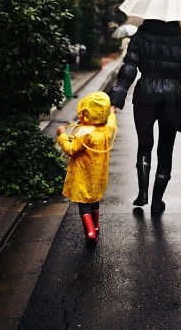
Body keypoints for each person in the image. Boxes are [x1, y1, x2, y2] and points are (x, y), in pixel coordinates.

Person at [107, 19, 181, 214]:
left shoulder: (140, 36)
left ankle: (142, 192)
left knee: (144, 144)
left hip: (144, 94)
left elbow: (129, 68)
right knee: (165, 150)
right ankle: (157, 201)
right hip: (172, 98)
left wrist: (117, 97)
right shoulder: (180, 40)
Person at [56, 92, 117, 246]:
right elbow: (111, 121)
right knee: (94, 199)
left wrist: (62, 135)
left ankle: (89, 232)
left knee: (84, 203)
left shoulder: (84, 133)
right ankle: (96, 227)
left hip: (83, 174)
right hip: (98, 176)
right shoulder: (106, 129)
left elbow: (70, 149)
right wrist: (111, 113)